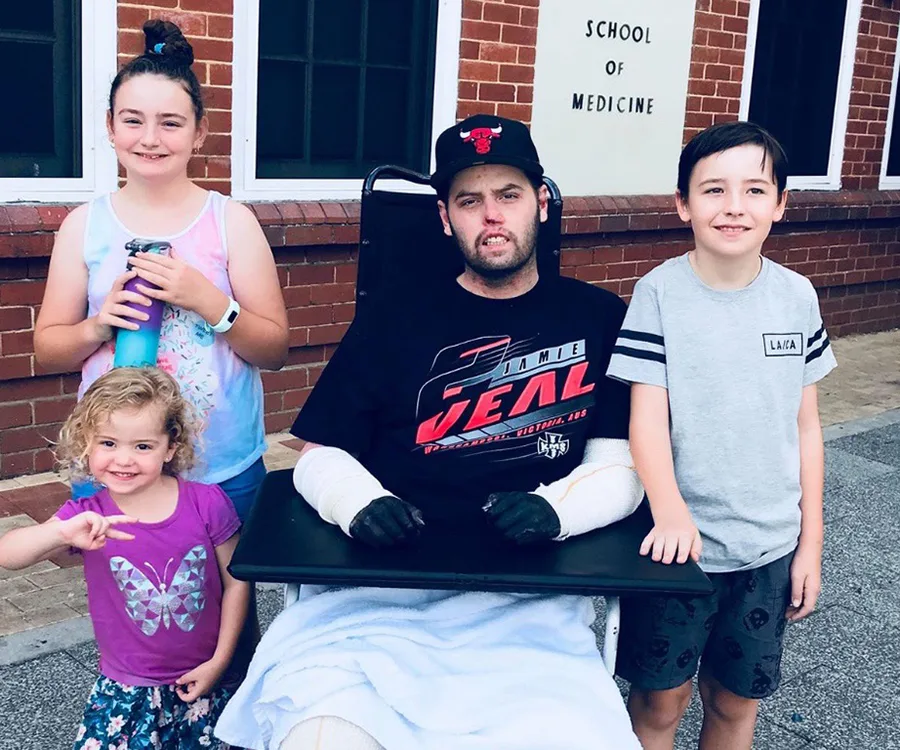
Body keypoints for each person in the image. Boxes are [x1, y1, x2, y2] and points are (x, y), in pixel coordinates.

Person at [215, 115, 645, 750]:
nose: (490, 216)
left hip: (531, 605)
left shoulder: (603, 318)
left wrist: (558, 509)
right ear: (445, 218)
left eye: (509, 195)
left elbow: (624, 467)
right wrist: (356, 502)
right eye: (469, 201)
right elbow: (319, 454)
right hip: (373, 603)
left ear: (542, 204)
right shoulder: (392, 316)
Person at [606, 121, 837, 750]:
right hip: (678, 552)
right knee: (660, 702)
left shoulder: (798, 297)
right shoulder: (657, 294)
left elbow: (807, 426)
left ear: (781, 204)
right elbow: (645, 418)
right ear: (683, 203)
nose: (734, 206)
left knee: (734, 704)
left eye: (755, 190)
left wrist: (809, 543)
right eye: (713, 190)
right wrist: (671, 511)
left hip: (767, 551)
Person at [33, 19, 288, 519]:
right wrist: (99, 324)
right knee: (127, 592)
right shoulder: (83, 225)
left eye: (171, 122)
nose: (150, 138)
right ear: (110, 127)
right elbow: (48, 349)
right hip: (115, 464)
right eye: (132, 120)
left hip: (221, 465)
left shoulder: (230, 221)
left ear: (199, 133)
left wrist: (208, 301)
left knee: (230, 591)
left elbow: (275, 350)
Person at [0, 367, 249, 750]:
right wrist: (59, 533)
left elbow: (237, 581)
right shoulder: (86, 514)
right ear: (87, 443)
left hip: (206, 678)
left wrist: (221, 660)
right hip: (126, 686)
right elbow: (9, 554)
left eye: (143, 446)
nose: (124, 459)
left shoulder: (207, 503)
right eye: (109, 443)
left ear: (171, 446)